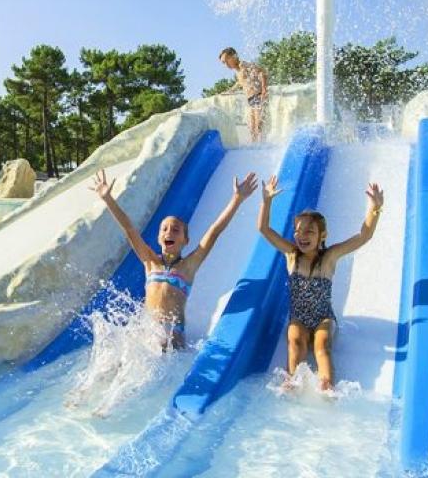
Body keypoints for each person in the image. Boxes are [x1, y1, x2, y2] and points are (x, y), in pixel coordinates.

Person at [91, 169, 258, 349]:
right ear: (158, 238)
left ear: (186, 241)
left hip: (173, 334)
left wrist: (237, 199)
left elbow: (214, 230)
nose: (169, 232)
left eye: (175, 229)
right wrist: (108, 200)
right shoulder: (150, 262)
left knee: (163, 341)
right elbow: (129, 229)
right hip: (147, 331)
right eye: (164, 229)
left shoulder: (188, 265)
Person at [257, 175, 384, 391]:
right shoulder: (291, 255)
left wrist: (375, 208)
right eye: (298, 230)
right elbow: (264, 229)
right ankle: (292, 382)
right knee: (295, 343)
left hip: (324, 317)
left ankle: (326, 385)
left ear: (322, 235)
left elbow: (363, 236)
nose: (302, 235)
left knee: (322, 346)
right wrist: (267, 200)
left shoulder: (329, 257)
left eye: (309, 231)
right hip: (298, 317)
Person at [219, 47, 269, 143]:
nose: (226, 65)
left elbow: (262, 72)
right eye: (223, 63)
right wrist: (230, 91)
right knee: (252, 127)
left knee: (258, 125)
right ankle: (254, 147)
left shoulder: (243, 65)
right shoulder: (238, 71)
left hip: (258, 96)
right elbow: (240, 83)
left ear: (234, 56)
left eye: (226, 61)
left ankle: (262, 144)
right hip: (251, 100)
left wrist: (264, 89)